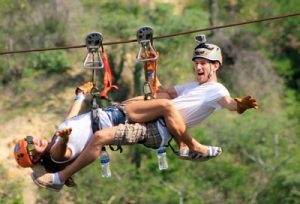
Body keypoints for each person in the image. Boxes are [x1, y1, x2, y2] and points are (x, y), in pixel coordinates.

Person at [23, 36, 258, 191]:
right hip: (149, 121)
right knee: (162, 98)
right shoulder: (193, 87)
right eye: (196, 62)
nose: (198, 67)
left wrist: (240, 105)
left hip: (160, 126)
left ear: (215, 66)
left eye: (203, 63)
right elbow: (161, 90)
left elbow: (229, 103)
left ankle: (192, 146)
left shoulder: (218, 89)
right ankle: (190, 145)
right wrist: (150, 62)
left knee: (165, 105)